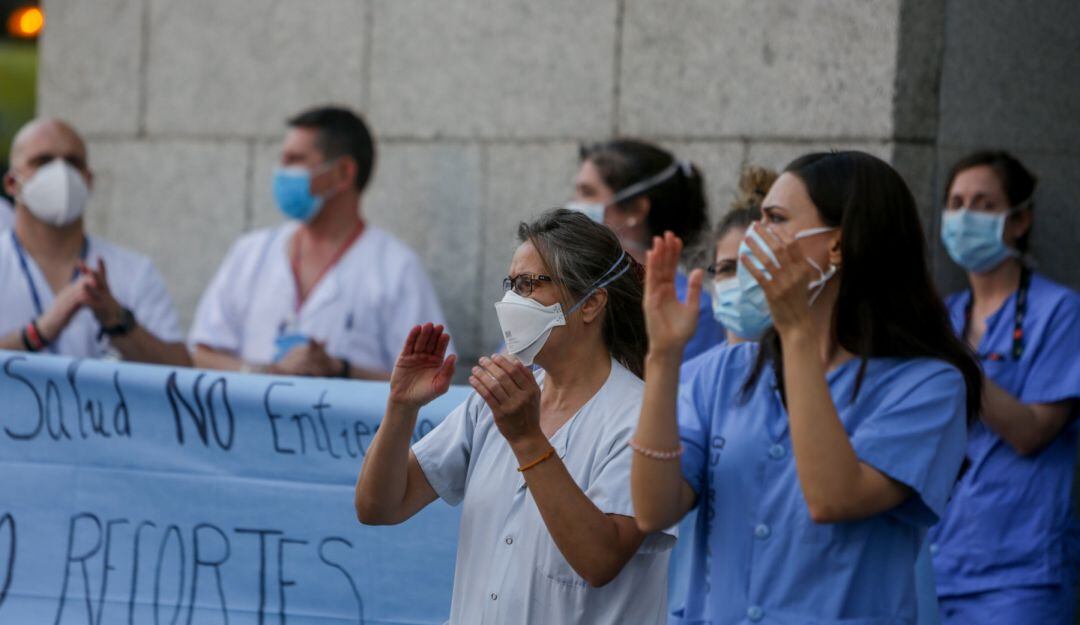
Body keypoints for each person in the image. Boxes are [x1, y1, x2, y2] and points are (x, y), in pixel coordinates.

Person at [631, 151, 982, 624]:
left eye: (775, 220)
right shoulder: (726, 370)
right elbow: (653, 510)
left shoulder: (928, 386)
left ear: (837, 245)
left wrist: (796, 331)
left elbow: (833, 497)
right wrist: (664, 355)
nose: (756, 237)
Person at [355, 209, 674, 624]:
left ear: (591, 304)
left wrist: (527, 439)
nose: (511, 302)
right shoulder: (494, 402)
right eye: (511, 285)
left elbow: (600, 560)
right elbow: (378, 507)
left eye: (529, 285)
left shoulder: (642, 417)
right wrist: (401, 407)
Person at [928, 151, 1080, 625]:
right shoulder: (944, 316)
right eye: (955, 203)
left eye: (984, 204)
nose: (964, 216)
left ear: (1019, 221)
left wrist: (955, 358)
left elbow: (1032, 431)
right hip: (935, 565)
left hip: (1019, 575)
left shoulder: (1059, 312)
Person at [189, 105, 450, 379]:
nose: (281, 172)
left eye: (295, 160)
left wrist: (340, 369)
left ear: (344, 173)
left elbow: (430, 378)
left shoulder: (396, 268)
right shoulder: (250, 253)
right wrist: (265, 371)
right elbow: (200, 353)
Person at [0, 118, 188, 365]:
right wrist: (38, 333)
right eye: (43, 161)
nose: (61, 173)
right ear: (12, 183)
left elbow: (182, 371)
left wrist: (117, 320)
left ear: (88, 181)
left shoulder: (135, 272)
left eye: (73, 162)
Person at [568, 139, 722, 361]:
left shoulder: (690, 307)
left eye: (587, 192)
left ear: (637, 210)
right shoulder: (572, 285)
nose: (573, 204)